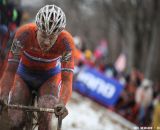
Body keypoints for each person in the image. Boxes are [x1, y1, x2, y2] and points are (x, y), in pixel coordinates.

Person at [0, 4, 75, 130]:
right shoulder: (24, 33)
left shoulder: (66, 42)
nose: (46, 42)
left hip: (49, 78)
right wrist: (4, 93)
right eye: (44, 35)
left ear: (59, 34)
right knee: (15, 120)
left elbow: (67, 79)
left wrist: (62, 103)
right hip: (23, 74)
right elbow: (10, 69)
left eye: (52, 38)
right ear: (37, 29)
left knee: (46, 115)